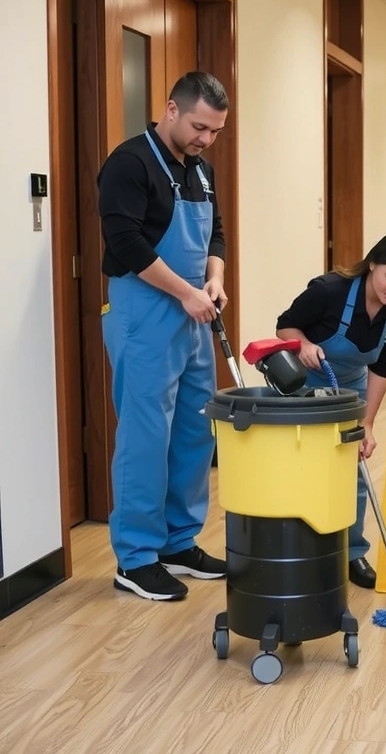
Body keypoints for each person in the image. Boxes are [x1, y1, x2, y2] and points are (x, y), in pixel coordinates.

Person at [98, 71, 231, 601]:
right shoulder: (130, 164)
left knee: (196, 429)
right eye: (199, 126)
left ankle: (179, 541)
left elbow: (215, 231)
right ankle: (135, 558)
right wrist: (185, 291)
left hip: (192, 310)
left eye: (215, 131)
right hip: (145, 310)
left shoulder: (200, 170)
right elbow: (125, 241)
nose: (205, 138)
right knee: (146, 433)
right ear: (171, 110)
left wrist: (214, 279)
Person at [276, 232, 386, 588]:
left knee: (355, 468)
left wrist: (368, 422)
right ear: (373, 263)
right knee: (305, 468)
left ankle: (351, 552)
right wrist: (302, 343)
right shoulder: (329, 290)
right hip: (305, 384)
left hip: (350, 387)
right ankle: (300, 549)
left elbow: (382, 366)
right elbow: (285, 324)